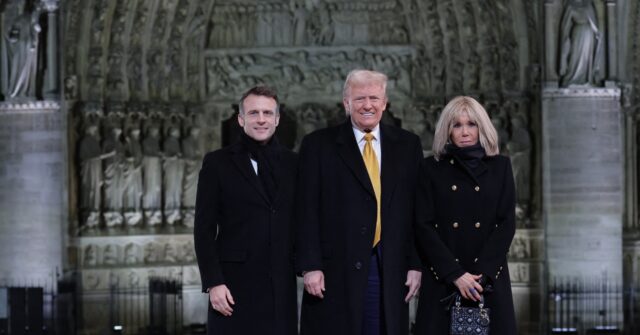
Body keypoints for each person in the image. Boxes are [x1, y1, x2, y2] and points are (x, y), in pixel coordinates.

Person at [296, 69, 422, 335]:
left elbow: (416, 211)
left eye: (374, 98)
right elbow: (305, 211)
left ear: (385, 102)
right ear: (346, 103)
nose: (368, 105)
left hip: (388, 267)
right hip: (334, 269)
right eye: (360, 98)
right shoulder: (318, 145)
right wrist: (310, 265)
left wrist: (415, 264)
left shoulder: (408, 145)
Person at [194, 86, 298, 335]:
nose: (261, 119)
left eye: (267, 113)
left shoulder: (295, 163)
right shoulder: (217, 163)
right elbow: (204, 228)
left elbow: (304, 222)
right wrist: (214, 282)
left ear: (277, 119)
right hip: (232, 288)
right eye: (253, 113)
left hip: (280, 287)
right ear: (241, 119)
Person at [413, 96, 517, 334]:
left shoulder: (500, 167)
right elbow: (423, 224)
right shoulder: (430, 168)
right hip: (444, 279)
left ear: (482, 127)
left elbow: (506, 223)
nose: (464, 131)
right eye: (456, 125)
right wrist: (455, 274)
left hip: (488, 279)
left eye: (471, 124)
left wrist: (481, 274)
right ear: (447, 130)